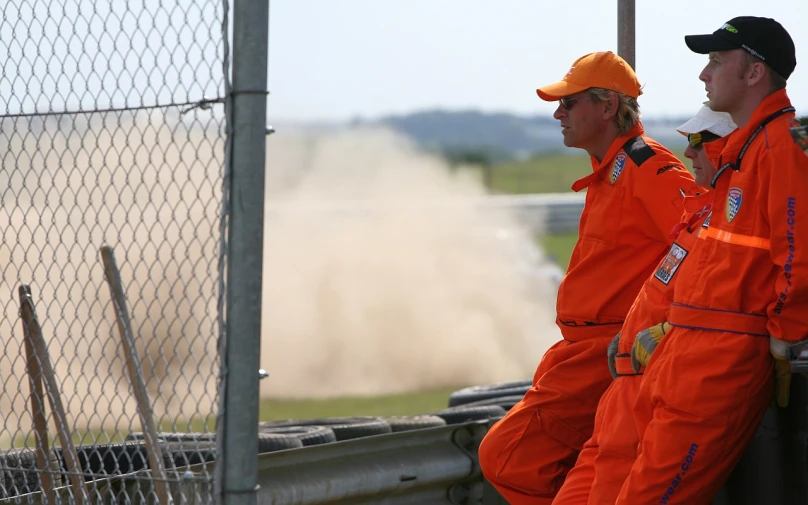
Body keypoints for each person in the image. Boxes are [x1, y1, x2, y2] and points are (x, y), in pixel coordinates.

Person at [477, 50, 701, 505]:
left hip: (610, 352)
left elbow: (702, 246)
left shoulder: (649, 168)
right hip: (578, 354)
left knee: (507, 457)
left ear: (607, 107)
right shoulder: (611, 173)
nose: (558, 113)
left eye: (569, 102)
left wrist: (668, 329)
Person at [613, 16, 808, 505]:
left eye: (716, 62)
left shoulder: (783, 144)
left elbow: (797, 253)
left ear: (754, 73)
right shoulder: (743, 154)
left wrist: (785, 337)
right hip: (684, 353)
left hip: (719, 361)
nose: (704, 74)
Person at [550, 105, 736, 505]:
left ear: (728, 149)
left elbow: (733, 304)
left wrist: (670, 331)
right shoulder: (702, 215)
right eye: (688, 143)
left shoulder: (732, 223)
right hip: (628, 383)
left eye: (699, 143)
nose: (688, 154)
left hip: (670, 381)